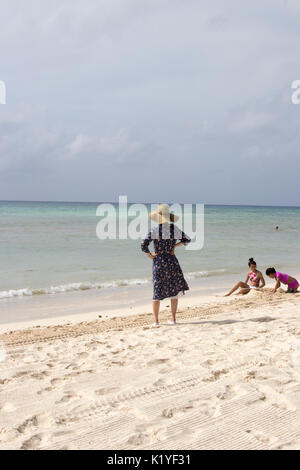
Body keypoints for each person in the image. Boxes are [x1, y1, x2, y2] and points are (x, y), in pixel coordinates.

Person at [141, 204, 191, 327]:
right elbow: (187, 240)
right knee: (174, 291)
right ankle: (173, 319)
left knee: (157, 290)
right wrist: (174, 246)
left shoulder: (154, 230)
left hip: (159, 262)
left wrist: (150, 255)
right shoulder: (174, 229)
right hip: (171, 260)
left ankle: (156, 321)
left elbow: (143, 244)